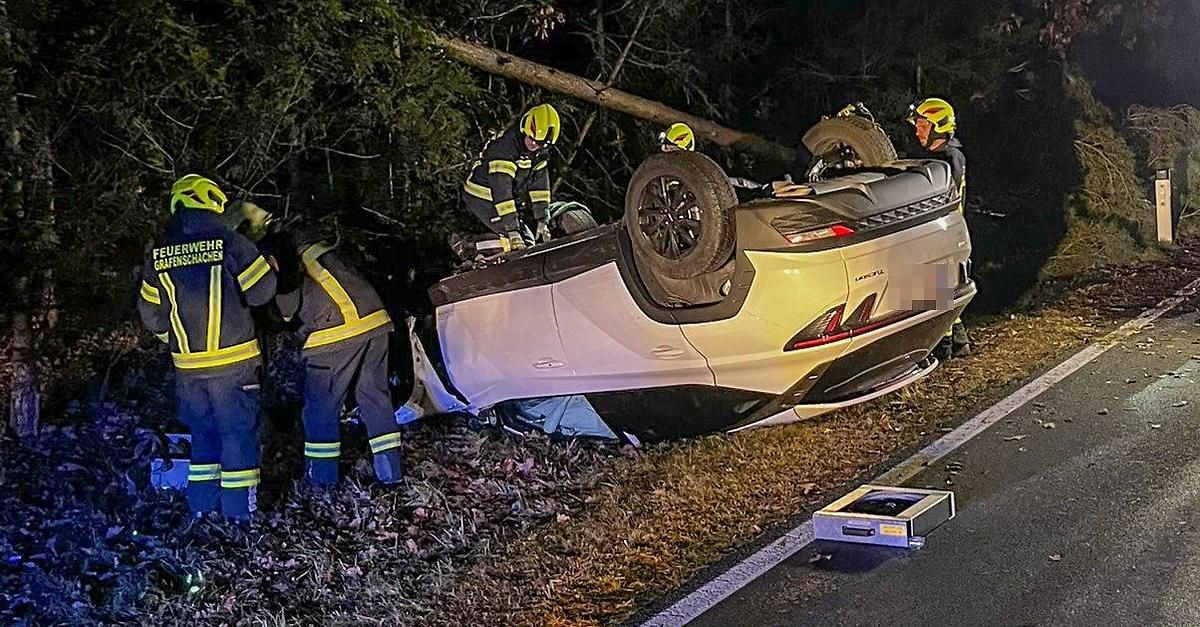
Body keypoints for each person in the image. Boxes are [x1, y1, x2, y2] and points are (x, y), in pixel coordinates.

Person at [137, 174, 277, 521]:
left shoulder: (159, 255)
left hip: (188, 372)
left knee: (203, 438)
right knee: (238, 437)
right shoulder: (231, 243)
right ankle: (239, 519)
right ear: (212, 201)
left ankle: (200, 511)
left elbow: (152, 317)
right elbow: (262, 292)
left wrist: (182, 346)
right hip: (234, 366)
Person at [257, 231, 403, 487]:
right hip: (375, 319)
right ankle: (390, 473)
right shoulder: (312, 245)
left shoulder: (276, 253)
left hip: (336, 329)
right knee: (374, 397)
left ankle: (321, 481)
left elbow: (288, 307)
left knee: (320, 408)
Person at [908, 97, 971, 360]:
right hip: (947, 233)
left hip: (943, 235)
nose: (917, 131)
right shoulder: (947, 155)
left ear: (938, 127)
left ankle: (940, 352)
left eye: (923, 125)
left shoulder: (947, 159)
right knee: (948, 294)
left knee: (937, 298)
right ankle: (959, 343)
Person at [462, 103, 561, 253]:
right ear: (525, 129)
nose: (534, 145)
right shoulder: (505, 148)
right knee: (515, 243)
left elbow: (540, 188)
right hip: (482, 194)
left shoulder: (539, 153)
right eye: (532, 139)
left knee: (528, 241)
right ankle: (469, 246)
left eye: (539, 144)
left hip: (503, 196)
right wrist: (512, 229)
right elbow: (502, 192)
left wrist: (542, 220)